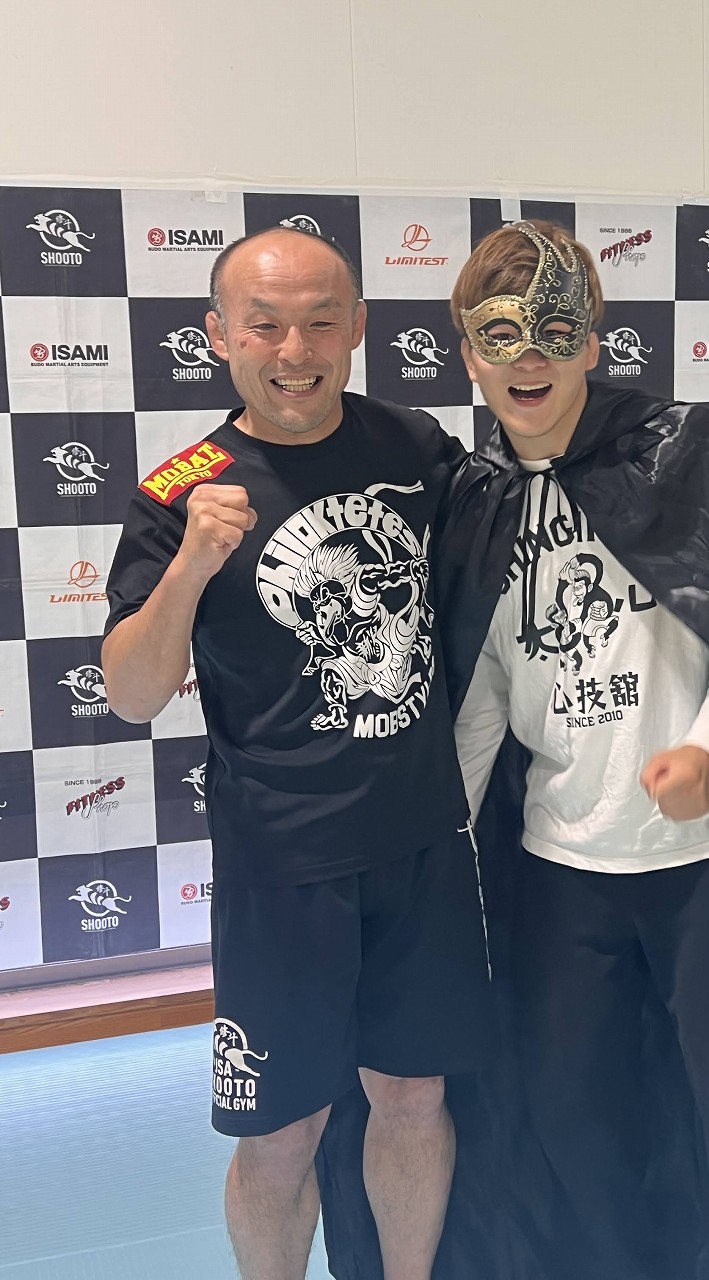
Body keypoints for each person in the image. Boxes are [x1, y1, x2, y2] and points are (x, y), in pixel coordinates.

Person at [428, 219, 709, 1280]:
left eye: (555, 331)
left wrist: (708, 753)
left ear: (593, 340)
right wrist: (440, 836)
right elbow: (484, 691)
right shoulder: (476, 501)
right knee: (568, 1109)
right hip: (561, 865)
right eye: (501, 336)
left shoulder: (675, 454)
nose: (529, 358)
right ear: (470, 354)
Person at [101, 226, 494, 1280]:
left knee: (414, 1095)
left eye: (322, 321)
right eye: (265, 324)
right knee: (280, 1134)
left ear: (358, 326)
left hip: (420, 841)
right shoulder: (180, 489)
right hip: (282, 864)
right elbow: (131, 692)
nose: (295, 349)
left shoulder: (414, 446)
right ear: (218, 334)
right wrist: (191, 565)